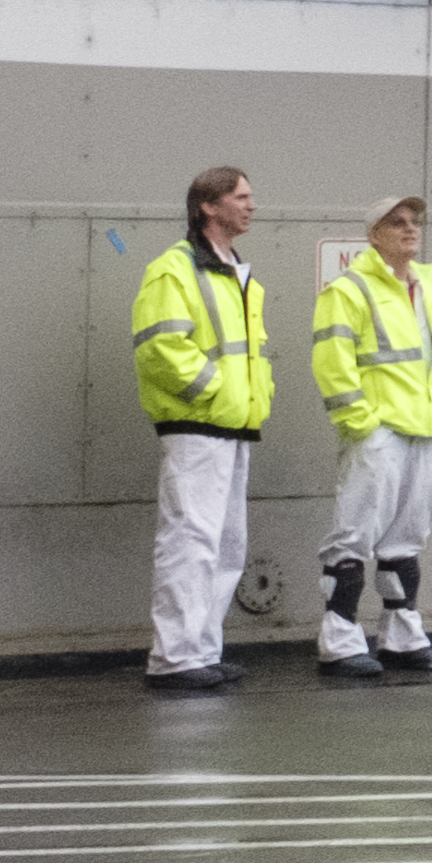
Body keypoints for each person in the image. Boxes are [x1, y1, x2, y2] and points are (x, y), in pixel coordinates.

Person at [128, 167, 274, 693]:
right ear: (209, 206)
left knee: (225, 544)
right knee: (190, 539)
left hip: (231, 425)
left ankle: (200, 651)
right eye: (241, 196)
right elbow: (161, 348)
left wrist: (247, 400)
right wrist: (218, 393)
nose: (252, 205)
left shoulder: (236, 272)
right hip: (198, 426)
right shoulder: (175, 269)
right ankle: (174, 658)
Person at [308, 194, 432, 682]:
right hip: (381, 432)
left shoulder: (429, 289)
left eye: (413, 221)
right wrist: (361, 423)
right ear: (373, 234)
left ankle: (402, 638)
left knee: (406, 540)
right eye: (396, 222)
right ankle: (338, 641)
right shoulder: (350, 289)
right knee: (353, 535)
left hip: (431, 430)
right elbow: (332, 362)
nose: (409, 229)